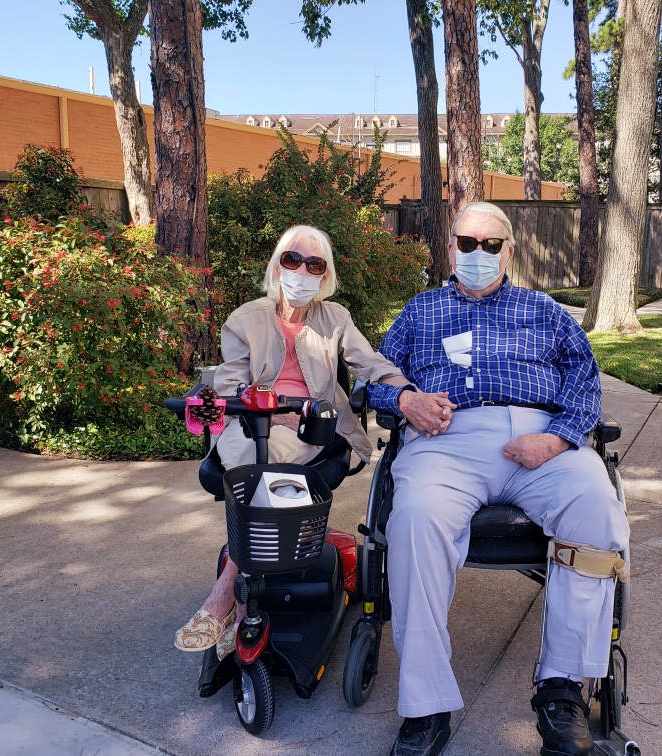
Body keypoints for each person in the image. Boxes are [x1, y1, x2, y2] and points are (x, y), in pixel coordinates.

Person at [366, 202, 630, 756]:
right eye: (468, 243)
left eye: (491, 245)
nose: (478, 254)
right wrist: (408, 400)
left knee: (596, 506)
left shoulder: (546, 311)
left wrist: (558, 438)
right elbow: (374, 380)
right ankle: (427, 704)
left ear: (509, 252)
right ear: (450, 247)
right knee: (413, 517)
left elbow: (585, 378)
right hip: (447, 439)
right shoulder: (420, 311)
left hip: (541, 438)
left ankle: (562, 694)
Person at [173, 224, 450, 658]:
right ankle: (241, 592)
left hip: (311, 427)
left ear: (325, 275)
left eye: (314, 264)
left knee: (266, 466)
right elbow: (227, 389)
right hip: (251, 426)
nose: (301, 270)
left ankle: (227, 593)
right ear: (277, 264)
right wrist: (252, 411)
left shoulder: (335, 318)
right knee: (254, 460)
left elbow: (370, 364)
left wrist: (408, 393)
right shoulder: (245, 319)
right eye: (292, 259)